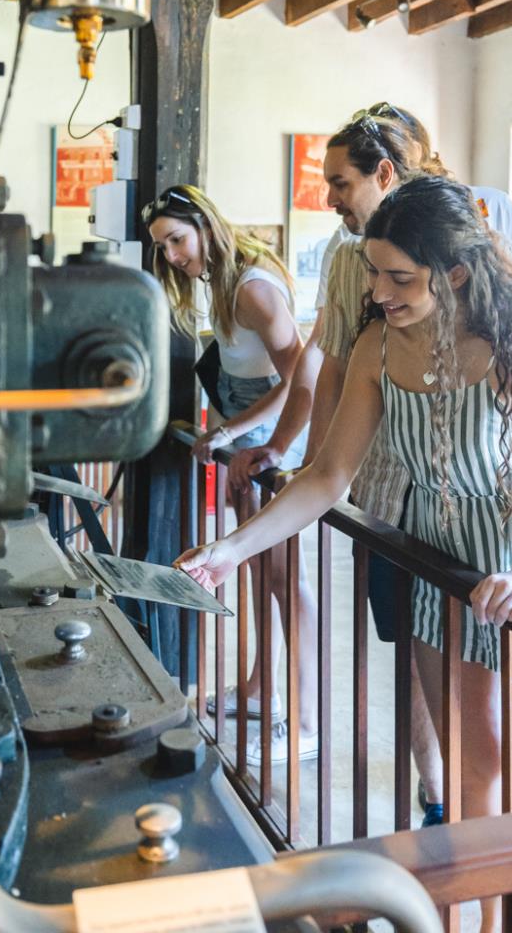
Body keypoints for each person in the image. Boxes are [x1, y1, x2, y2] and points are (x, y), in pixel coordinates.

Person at [177, 176, 512, 933]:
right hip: (445, 576)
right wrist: (230, 549)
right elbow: (327, 475)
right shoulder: (378, 345)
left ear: (456, 274)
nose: (377, 292)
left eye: (397, 277)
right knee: (474, 785)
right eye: (374, 273)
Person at [233, 104, 512, 822]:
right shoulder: (370, 311)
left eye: (397, 280)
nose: (377, 294)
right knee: (461, 738)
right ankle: (441, 820)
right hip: (413, 519)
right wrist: (241, 539)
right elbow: (328, 411)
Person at [144, 184, 316, 761]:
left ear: (203, 225)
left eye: (176, 240)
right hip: (251, 442)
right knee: (257, 569)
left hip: (277, 448)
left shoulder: (253, 289)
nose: (171, 256)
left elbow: (301, 379)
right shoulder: (221, 284)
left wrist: (236, 433)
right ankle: (261, 685)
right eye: (162, 247)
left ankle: (306, 718)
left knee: (287, 578)